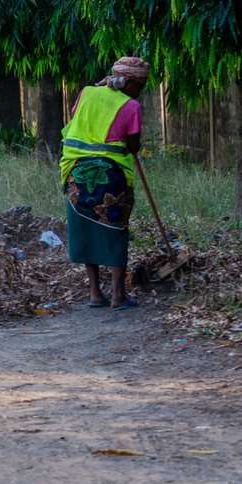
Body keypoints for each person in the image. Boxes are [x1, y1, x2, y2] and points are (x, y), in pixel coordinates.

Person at [62, 57, 149, 310]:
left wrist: (101, 85)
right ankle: (118, 296)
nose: (140, 91)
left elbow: (77, 117)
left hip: (76, 173)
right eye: (140, 85)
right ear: (129, 82)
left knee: (87, 227)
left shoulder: (87, 92)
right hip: (111, 177)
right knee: (115, 230)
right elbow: (133, 146)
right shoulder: (131, 106)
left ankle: (95, 293)